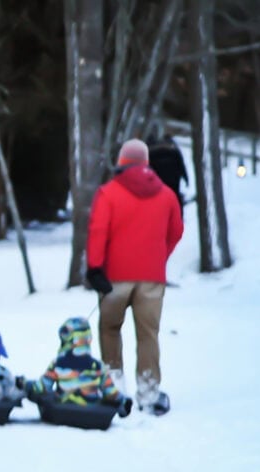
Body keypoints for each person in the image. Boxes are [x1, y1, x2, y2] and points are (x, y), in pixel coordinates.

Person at [85, 138, 184, 416]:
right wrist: (158, 257)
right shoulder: (166, 195)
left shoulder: (108, 193)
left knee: (109, 328)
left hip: (114, 277)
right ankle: (149, 392)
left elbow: (97, 231)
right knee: (148, 334)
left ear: (122, 163)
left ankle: (114, 389)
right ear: (146, 163)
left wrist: (95, 267)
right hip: (152, 278)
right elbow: (176, 231)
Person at [16, 317, 132, 417]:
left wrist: (25, 384)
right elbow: (110, 392)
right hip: (90, 413)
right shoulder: (97, 366)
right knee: (107, 399)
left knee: (43, 395)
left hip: (63, 410)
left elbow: (42, 388)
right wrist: (122, 401)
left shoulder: (59, 363)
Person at [147, 134, 189, 217]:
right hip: (173, 180)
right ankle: (177, 216)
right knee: (174, 197)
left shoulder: (151, 150)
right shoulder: (174, 149)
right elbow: (181, 165)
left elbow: (146, 167)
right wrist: (186, 179)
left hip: (158, 181)